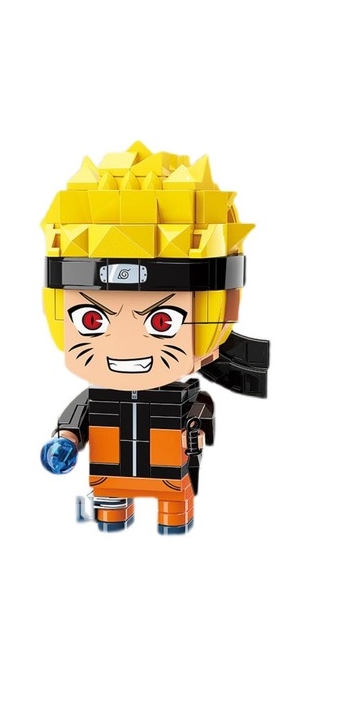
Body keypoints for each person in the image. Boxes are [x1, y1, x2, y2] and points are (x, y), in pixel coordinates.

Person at [40, 142, 269, 534]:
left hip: (169, 476)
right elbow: (78, 416)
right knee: (110, 524)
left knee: (175, 518)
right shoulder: (99, 397)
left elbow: (202, 406)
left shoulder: (182, 393)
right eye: (92, 319)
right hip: (110, 476)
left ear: (221, 308)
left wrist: (196, 430)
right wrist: (67, 438)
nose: (124, 344)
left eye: (162, 321)